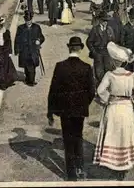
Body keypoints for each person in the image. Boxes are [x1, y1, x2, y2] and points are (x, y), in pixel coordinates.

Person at [93, 42, 134, 181]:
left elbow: (99, 91)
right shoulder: (132, 76)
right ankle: (125, 163)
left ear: (114, 62)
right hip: (127, 108)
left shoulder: (110, 75)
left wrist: (107, 99)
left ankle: (113, 163)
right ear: (124, 63)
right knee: (125, 133)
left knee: (113, 133)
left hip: (114, 107)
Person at [47, 36, 95, 181]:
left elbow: (53, 90)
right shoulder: (86, 67)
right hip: (79, 110)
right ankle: (80, 167)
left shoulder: (60, 66)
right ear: (80, 49)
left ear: (69, 48)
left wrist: (51, 112)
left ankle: (71, 174)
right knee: (78, 138)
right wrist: (83, 103)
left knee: (68, 140)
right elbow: (91, 92)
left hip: (65, 111)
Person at [14, 11, 45, 86]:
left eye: (29, 21)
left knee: (32, 66)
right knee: (26, 66)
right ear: (25, 20)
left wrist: (39, 40)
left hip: (33, 50)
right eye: (27, 21)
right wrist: (17, 50)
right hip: (24, 51)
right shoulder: (21, 28)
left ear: (31, 20)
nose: (28, 22)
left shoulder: (36, 27)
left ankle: (31, 81)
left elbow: (42, 37)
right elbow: (17, 40)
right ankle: (28, 79)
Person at [86, 12, 116, 85]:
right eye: (103, 20)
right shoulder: (95, 29)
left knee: (108, 71)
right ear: (100, 20)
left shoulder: (110, 29)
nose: (105, 22)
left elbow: (113, 41)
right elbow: (89, 42)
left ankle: (107, 89)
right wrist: (94, 52)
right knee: (99, 72)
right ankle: (99, 89)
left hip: (107, 53)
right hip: (98, 53)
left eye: (106, 21)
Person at [0, 16, 17, 90]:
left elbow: (9, 42)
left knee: (5, 68)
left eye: (0, 26)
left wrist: (10, 51)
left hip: (5, 51)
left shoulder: (7, 32)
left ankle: (4, 83)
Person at [120, 7, 134, 73]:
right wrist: (127, 50)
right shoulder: (125, 28)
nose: (133, 20)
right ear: (129, 17)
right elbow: (122, 41)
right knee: (128, 69)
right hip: (128, 52)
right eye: (132, 18)